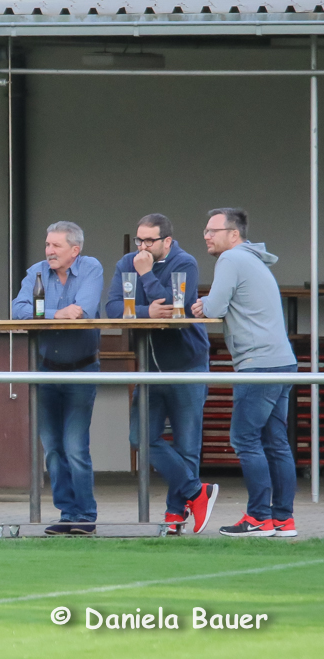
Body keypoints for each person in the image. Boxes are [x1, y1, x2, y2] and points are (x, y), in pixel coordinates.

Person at [104, 213, 218, 535]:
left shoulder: (186, 262)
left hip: (187, 363)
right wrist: (144, 312)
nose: (142, 246)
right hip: (150, 366)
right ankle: (197, 491)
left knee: (187, 444)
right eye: (139, 239)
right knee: (140, 437)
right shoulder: (128, 261)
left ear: (167, 241)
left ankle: (174, 514)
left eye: (149, 241)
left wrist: (146, 276)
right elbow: (113, 308)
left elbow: (176, 311)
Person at [192, 208, 299, 538]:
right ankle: (283, 519)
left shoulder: (231, 259)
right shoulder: (254, 259)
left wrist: (203, 303)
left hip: (258, 364)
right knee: (275, 442)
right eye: (205, 230)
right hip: (282, 361)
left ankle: (257, 518)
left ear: (234, 234)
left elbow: (215, 307)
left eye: (213, 230)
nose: (206, 236)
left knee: (244, 438)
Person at [13, 221, 103, 536]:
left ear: (74, 250)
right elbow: (18, 309)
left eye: (56, 246)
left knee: (75, 445)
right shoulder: (36, 271)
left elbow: (85, 309)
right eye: (48, 245)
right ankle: (67, 514)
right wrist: (56, 314)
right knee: (52, 447)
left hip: (81, 368)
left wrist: (49, 313)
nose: (49, 251)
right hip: (45, 368)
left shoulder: (91, 268)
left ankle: (85, 516)